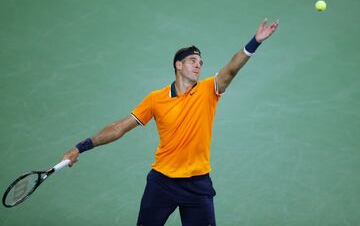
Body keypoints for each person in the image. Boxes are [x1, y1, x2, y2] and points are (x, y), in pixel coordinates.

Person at [62, 18, 279, 226]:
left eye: (201, 62)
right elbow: (119, 128)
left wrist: (255, 42)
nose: (198, 65)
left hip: (197, 183)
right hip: (162, 182)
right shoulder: (156, 99)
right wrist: (81, 147)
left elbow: (231, 69)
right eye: (193, 60)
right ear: (178, 65)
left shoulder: (207, 90)